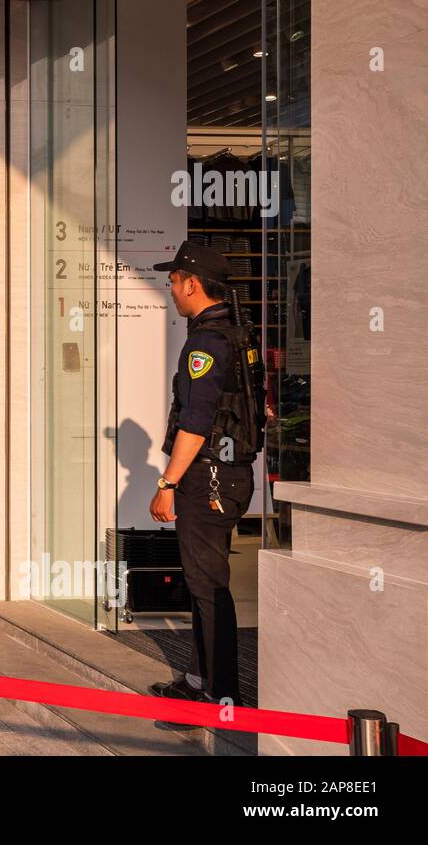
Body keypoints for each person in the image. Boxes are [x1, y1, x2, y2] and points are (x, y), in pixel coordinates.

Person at [148, 241, 262, 712]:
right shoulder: (237, 336)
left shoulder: (207, 344)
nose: (170, 287)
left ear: (192, 283)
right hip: (229, 474)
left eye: (173, 279)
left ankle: (223, 693)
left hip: (208, 476)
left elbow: (196, 421)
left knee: (210, 586)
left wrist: (167, 484)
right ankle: (198, 680)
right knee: (201, 581)